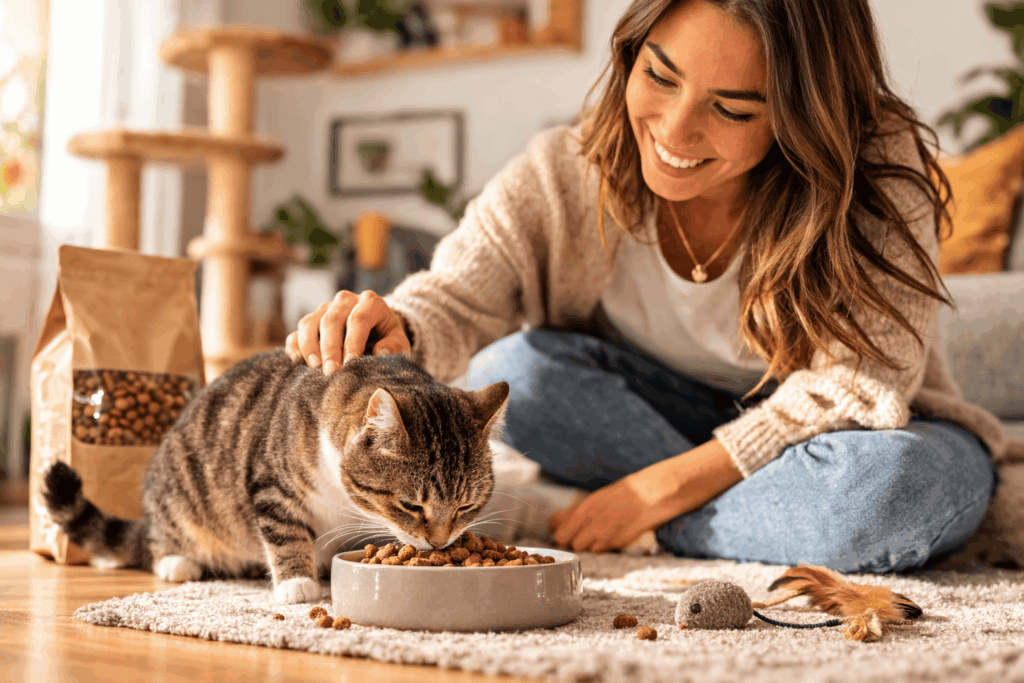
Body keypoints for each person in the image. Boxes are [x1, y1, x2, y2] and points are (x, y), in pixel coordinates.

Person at [286, 0, 1018, 573]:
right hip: (650, 418)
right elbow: (457, 292)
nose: (673, 128)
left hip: (835, 443)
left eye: (731, 108)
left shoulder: (878, 176)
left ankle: (645, 522)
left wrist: (651, 496)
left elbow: (865, 383)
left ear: (803, 115)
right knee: (513, 373)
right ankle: (765, 523)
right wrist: (400, 324)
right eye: (660, 76)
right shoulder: (564, 171)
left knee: (893, 491)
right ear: (631, 52)